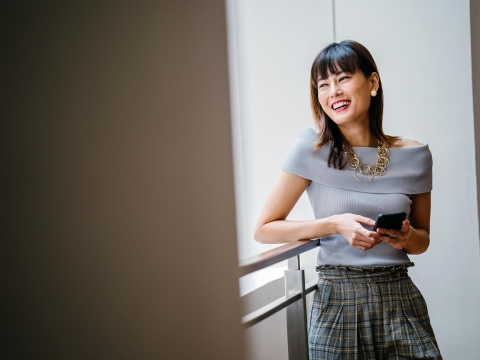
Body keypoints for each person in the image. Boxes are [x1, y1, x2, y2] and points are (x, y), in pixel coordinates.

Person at [254, 40, 442, 359]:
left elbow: (422, 241)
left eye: (342, 78)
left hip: (399, 296)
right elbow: (264, 229)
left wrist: (407, 236)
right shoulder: (310, 150)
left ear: (372, 83)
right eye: (322, 85)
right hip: (336, 303)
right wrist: (334, 224)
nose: (333, 91)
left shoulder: (414, 155)